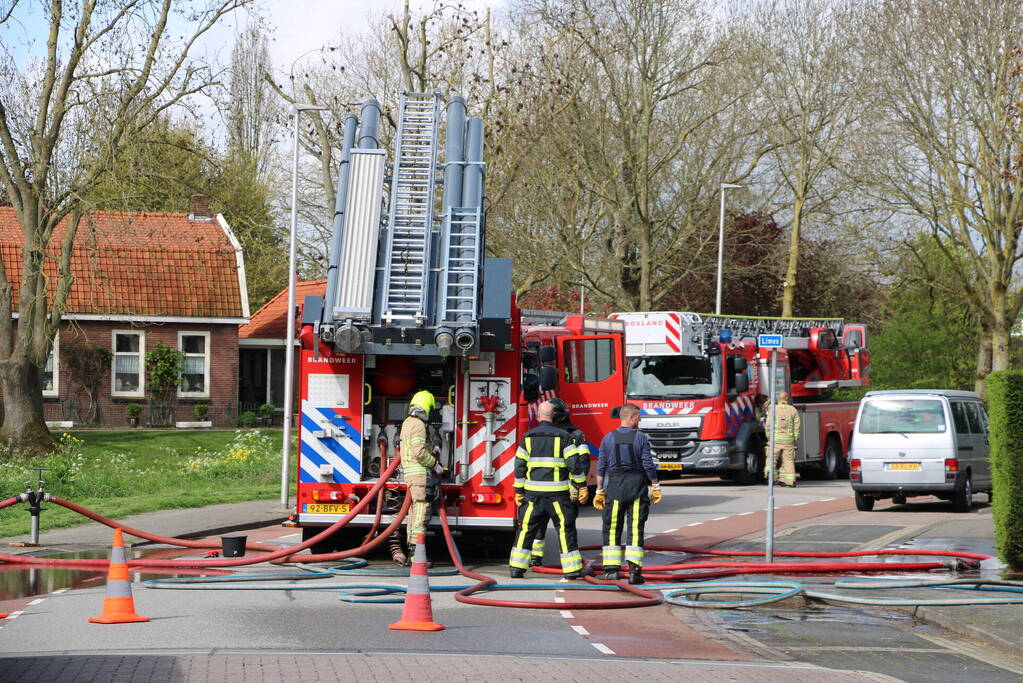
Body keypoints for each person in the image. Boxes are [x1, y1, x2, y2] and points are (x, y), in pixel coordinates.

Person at [508, 400, 589, 579]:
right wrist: (582, 486)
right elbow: (574, 465)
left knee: (526, 529)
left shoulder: (528, 437)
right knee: (565, 529)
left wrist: (519, 490)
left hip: (532, 495)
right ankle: (572, 570)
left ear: (538, 416)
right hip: (558, 495)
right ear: (555, 416)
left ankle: (516, 568)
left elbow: (519, 466)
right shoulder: (564, 436)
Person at [593, 403, 660, 584]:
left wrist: (599, 490)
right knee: (635, 529)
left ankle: (611, 571)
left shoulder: (607, 438)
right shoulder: (641, 438)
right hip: (637, 487)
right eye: (638, 417)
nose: (640, 419)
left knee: (612, 528)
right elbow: (648, 465)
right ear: (631, 417)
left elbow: (601, 467)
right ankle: (634, 573)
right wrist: (655, 485)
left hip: (615, 487)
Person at [527, 398, 590, 567]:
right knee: (565, 526)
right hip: (563, 490)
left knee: (542, 524)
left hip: (545, 488)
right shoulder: (575, 434)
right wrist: (579, 485)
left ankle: (537, 558)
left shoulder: (540, 433)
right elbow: (582, 462)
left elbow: (582, 462)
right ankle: (567, 562)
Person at [400, 390, 446, 558]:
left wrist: (431, 447)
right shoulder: (419, 425)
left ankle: (412, 550)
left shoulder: (407, 422)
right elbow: (419, 453)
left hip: (411, 473)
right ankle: (416, 553)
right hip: (419, 474)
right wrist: (435, 465)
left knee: (414, 511)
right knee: (421, 509)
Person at [765, 391, 801, 487]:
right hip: (788, 441)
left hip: (775, 440)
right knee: (788, 461)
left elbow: (768, 425)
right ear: (787, 398)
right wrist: (796, 437)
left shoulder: (773, 410)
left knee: (771, 458)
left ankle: (771, 477)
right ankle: (790, 481)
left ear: (778, 399)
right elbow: (797, 425)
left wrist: (769, 436)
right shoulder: (793, 410)